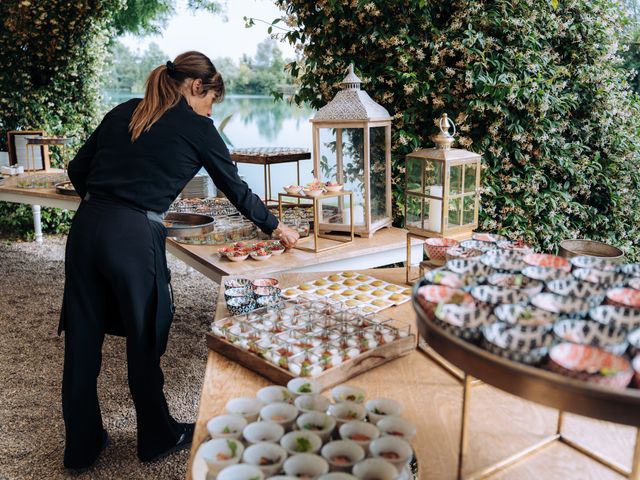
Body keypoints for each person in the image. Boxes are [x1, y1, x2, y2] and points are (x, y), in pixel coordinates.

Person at [59, 50, 299, 472]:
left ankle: (81, 446)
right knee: (144, 337)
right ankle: (156, 437)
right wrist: (276, 226)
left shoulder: (124, 111)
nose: (210, 111)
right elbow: (234, 187)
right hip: (133, 235)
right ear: (196, 87)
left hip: (86, 229)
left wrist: (106, 203)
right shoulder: (198, 127)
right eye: (210, 101)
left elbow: (79, 168)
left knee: (82, 341)